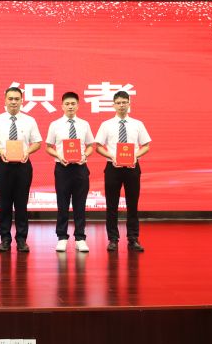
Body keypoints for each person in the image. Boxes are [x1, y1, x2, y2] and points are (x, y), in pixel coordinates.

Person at [0, 87, 42, 253]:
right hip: (3, 165)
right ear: (5, 100)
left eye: (16, 99)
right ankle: (5, 239)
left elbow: (37, 143)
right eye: (10, 99)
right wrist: (0, 151)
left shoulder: (29, 120)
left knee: (21, 203)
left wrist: (27, 151)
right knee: (4, 203)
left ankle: (21, 239)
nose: (13, 102)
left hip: (23, 165)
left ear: (21, 101)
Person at [94, 90, 151, 252]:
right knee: (111, 205)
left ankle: (133, 238)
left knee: (132, 204)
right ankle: (113, 239)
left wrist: (135, 156)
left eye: (124, 102)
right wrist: (112, 156)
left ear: (129, 104)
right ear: (113, 105)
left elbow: (146, 146)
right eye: (118, 103)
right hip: (113, 167)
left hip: (132, 167)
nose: (121, 105)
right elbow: (98, 146)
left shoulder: (137, 124)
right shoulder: (106, 125)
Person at [45, 92, 94, 253]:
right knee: (62, 204)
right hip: (62, 168)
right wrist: (59, 156)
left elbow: (90, 146)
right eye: (67, 104)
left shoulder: (84, 124)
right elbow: (48, 147)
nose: (70, 106)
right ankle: (62, 237)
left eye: (73, 103)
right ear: (62, 106)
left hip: (80, 168)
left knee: (80, 204)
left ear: (78, 105)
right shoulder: (55, 124)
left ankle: (80, 238)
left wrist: (84, 156)